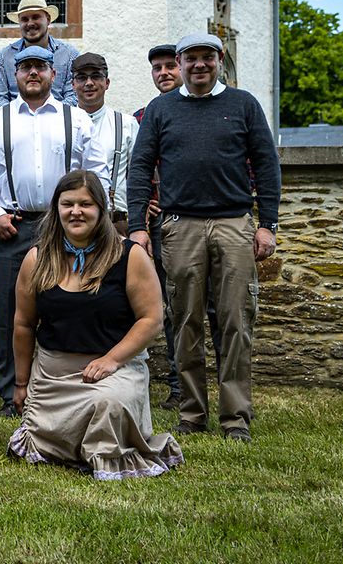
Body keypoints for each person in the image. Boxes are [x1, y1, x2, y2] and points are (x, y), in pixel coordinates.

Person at [127, 34, 281, 443]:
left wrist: (267, 224)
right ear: (179, 62)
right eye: (191, 58)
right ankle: (192, 413)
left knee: (236, 322)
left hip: (234, 223)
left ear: (219, 59)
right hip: (180, 227)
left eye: (207, 57)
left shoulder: (243, 104)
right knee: (184, 321)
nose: (199, 65)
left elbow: (267, 165)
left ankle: (236, 418)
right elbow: (140, 167)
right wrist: (138, 226)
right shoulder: (161, 109)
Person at [7, 170, 183, 479]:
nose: (76, 211)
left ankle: (106, 449)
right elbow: (23, 324)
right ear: (56, 209)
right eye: (68, 204)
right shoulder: (37, 259)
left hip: (114, 370)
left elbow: (152, 319)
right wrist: (21, 384)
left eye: (85, 204)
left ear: (102, 209)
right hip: (53, 376)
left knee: (108, 403)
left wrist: (111, 360)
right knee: (40, 434)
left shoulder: (130, 256)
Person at [0, 45, 109, 415]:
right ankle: (10, 392)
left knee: (69, 306)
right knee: (10, 311)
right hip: (12, 228)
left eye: (40, 67)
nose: (33, 73)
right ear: (15, 75)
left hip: (66, 229)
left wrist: (85, 218)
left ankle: (64, 385)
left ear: (53, 74)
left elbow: (97, 174)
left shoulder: (76, 119)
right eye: (26, 67)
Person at [136, 43, 221, 410]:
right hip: (160, 223)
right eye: (157, 68)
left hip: (206, 219)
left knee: (216, 308)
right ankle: (178, 386)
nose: (164, 73)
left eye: (170, 66)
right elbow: (137, 167)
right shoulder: (143, 116)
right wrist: (144, 206)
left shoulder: (216, 108)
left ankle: (220, 387)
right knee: (174, 306)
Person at [70, 52, 138, 233]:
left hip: (115, 222)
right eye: (82, 77)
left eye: (96, 76)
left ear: (107, 83)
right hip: (71, 222)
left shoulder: (126, 124)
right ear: (73, 84)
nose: (89, 83)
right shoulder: (61, 123)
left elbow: (138, 176)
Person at [0, 0, 79, 109]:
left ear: (48, 19)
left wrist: (50, 114)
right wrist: (20, 115)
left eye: (36, 17)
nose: (30, 23)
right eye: (24, 19)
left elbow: (74, 96)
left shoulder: (69, 55)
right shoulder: (3, 57)